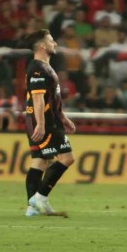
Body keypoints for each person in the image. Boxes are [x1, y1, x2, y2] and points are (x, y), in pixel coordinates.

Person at [24, 29, 77, 217]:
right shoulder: (38, 68)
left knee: (40, 161)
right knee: (67, 158)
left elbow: (51, 98)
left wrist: (63, 117)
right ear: (41, 46)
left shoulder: (44, 67)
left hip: (45, 119)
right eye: (51, 40)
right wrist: (41, 124)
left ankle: (32, 208)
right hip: (45, 121)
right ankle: (39, 198)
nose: (54, 43)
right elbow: (38, 98)